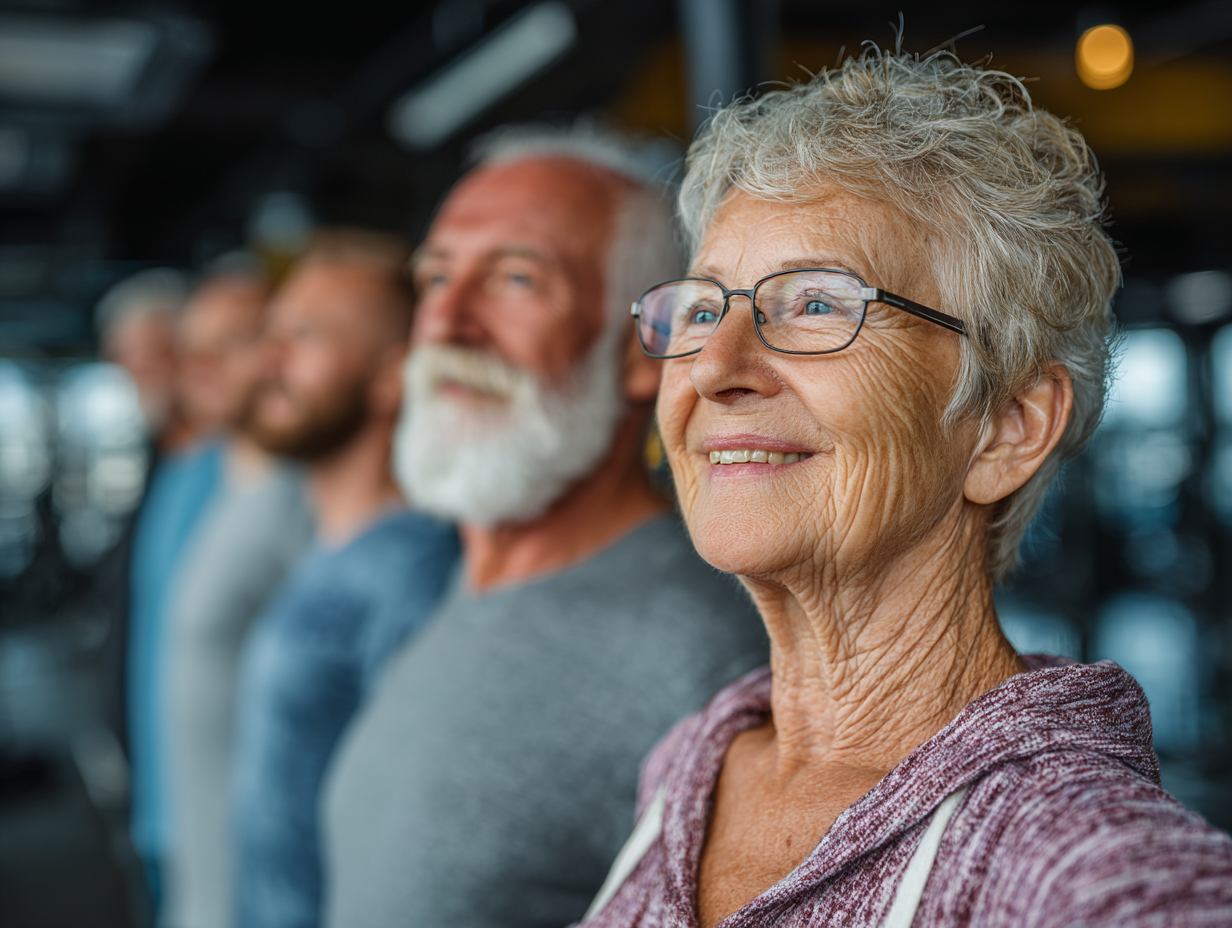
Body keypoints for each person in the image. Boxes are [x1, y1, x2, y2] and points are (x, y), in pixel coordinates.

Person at [579, 51, 1232, 928]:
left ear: (1009, 426)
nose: (714, 370)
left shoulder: (1092, 869)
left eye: (814, 303)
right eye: (701, 310)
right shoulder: (691, 765)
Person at [322, 126, 769, 928]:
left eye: (516, 279)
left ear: (647, 352)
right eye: (437, 278)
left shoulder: (703, 667)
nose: (448, 322)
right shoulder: (461, 584)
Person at [231, 230, 460, 928]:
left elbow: (412, 842)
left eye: (306, 334)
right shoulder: (328, 548)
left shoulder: (417, 572)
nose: (269, 357)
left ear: (394, 376)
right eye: (272, 331)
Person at [162, 257, 314, 928]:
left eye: (229, 343)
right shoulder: (206, 480)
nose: (201, 368)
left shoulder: (309, 503)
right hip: (190, 852)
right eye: (193, 349)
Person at [106, 269, 230, 908]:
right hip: (155, 791)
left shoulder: (236, 473)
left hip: (212, 814)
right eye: (129, 358)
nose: (144, 373)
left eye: (158, 353)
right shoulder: (168, 467)